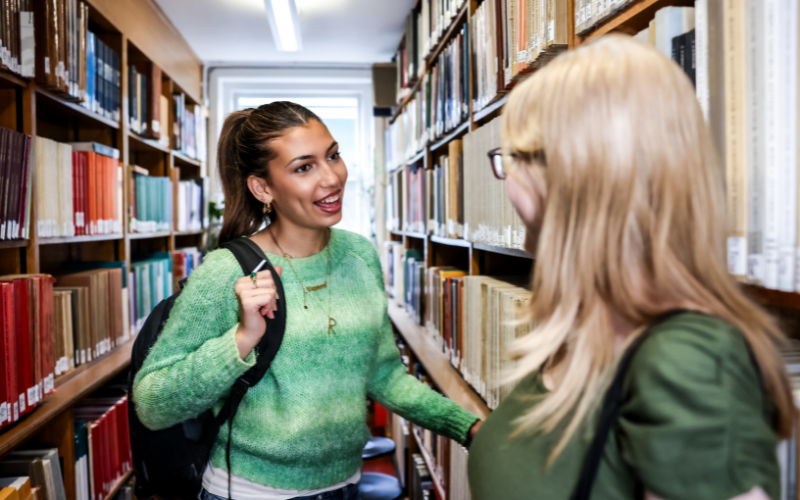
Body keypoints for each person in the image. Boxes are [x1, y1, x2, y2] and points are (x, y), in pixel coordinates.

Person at [468, 35, 794, 500]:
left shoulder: (687, 360)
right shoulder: (585, 327)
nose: (507, 180)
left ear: (581, 176)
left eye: (514, 158)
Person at [133, 101, 481, 500]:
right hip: (250, 492)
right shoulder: (226, 271)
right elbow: (153, 403)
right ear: (263, 188)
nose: (332, 178)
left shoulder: (359, 255)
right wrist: (241, 340)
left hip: (345, 484)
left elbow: (383, 375)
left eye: (333, 155)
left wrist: (466, 427)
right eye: (304, 167)